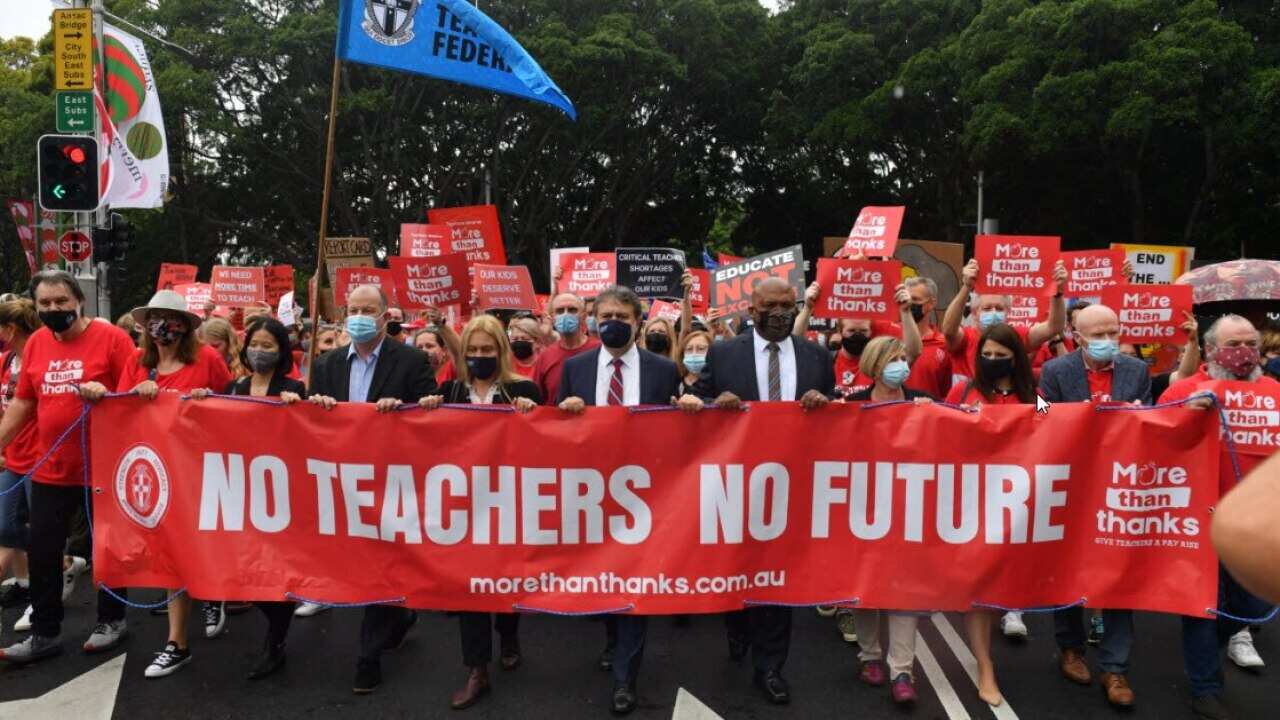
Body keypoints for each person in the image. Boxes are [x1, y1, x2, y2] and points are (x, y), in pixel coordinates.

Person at [695, 277, 834, 706]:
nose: (779, 313)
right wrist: (716, 401)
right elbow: (694, 404)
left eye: (785, 305)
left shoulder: (816, 355)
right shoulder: (722, 353)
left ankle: (770, 666)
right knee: (738, 568)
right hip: (736, 483)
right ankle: (737, 630)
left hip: (792, 484)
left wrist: (824, 402)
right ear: (750, 311)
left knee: (778, 578)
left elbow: (839, 414)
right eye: (768, 306)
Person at [555, 285, 685, 715]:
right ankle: (612, 640)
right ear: (595, 319)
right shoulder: (575, 369)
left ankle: (625, 677)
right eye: (605, 315)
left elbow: (678, 433)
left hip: (645, 496)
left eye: (622, 317)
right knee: (603, 576)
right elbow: (554, 433)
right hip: (592, 495)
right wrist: (567, 413)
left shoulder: (662, 371)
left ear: (637, 323)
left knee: (634, 580)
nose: (612, 322)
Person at [0, 270, 136, 664]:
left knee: (106, 549)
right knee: (43, 552)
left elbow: (135, 396)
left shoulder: (112, 339)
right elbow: (25, 402)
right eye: (45, 304)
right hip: (50, 468)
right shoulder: (39, 343)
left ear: (79, 301)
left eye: (61, 302)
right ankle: (45, 633)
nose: (53, 309)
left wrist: (107, 396)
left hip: (103, 468)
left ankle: (112, 620)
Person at [307, 284, 435, 695]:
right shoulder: (326, 364)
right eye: (354, 309)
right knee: (358, 559)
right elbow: (308, 418)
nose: (360, 316)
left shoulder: (412, 360)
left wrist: (407, 413)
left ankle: (368, 656)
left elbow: (429, 418)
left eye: (369, 309)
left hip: (392, 480)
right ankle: (398, 617)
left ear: (384, 317)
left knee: (381, 560)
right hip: (343, 480)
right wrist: (319, 407)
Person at [1159, 314, 1277, 720]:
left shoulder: (1275, 391)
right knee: (1202, 607)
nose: (1245, 351)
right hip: (1200, 520)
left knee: (1254, 606)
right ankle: (1205, 686)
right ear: (1210, 350)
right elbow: (1156, 443)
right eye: (1234, 343)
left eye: (1251, 342)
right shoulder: (1187, 389)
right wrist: (1187, 415)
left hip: (1257, 524)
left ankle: (1211, 643)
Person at [419, 314, 540, 709]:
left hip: (510, 504)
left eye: (487, 350)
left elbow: (549, 444)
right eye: (472, 350)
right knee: (471, 587)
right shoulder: (451, 391)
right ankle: (477, 669)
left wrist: (531, 413)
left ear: (501, 351)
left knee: (505, 580)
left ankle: (508, 633)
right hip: (465, 510)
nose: (479, 356)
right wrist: (429, 410)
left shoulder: (522, 389)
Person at [113, 290, 234, 677]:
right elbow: (119, 409)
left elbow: (233, 406)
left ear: (186, 325)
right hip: (156, 473)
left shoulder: (208, 360)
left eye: (171, 316)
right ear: (146, 324)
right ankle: (177, 642)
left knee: (201, 543)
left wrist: (207, 400)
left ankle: (212, 592)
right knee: (172, 553)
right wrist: (134, 396)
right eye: (156, 317)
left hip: (199, 469)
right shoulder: (136, 362)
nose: (163, 324)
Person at [1039, 304, 1150, 709]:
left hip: (1120, 487)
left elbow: (1151, 419)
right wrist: (1062, 418)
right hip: (1073, 485)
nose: (1107, 340)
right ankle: (1070, 648)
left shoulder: (1135, 372)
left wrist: (1142, 416)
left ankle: (1115, 666)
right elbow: (1039, 412)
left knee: (1120, 573)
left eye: (1113, 331)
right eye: (1098, 333)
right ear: (1076, 335)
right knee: (1067, 568)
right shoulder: (1056, 371)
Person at [193, 316, 305, 679]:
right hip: (241, 493)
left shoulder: (292, 388)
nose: (260, 351)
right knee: (242, 571)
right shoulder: (234, 387)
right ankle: (278, 627)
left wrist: (299, 407)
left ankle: (275, 643)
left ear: (281, 351)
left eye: (268, 346)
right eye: (254, 344)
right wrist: (201, 402)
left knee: (274, 572)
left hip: (280, 496)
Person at [943, 323, 1038, 706]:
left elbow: (1060, 424)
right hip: (971, 504)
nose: (993, 361)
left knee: (1003, 586)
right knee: (980, 591)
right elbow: (938, 430)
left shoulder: (1033, 395)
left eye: (1002, 355)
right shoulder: (963, 390)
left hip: (1017, 507)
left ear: (1016, 357)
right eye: (988, 354)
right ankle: (985, 667)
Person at [843, 336, 933, 704]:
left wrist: (932, 414)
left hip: (909, 510)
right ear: (874, 364)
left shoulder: (921, 401)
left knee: (904, 591)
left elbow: (1035, 410)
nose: (902, 366)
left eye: (903, 359)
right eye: (893, 359)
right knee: (866, 587)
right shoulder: (850, 405)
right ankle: (870, 656)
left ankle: (902, 670)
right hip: (861, 511)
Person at [942, 257, 1068, 386]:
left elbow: (1053, 327)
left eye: (999, 308)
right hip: (968, 403)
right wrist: (967, 287)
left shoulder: (1016, 336)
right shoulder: (966, 338)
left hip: (1007, 403)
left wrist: (1057, 292)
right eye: (987, 308)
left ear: (1008, 312)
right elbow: (948, 330)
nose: (994, 312)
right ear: (974, 313)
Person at [0, 300, 40, 612]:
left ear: (10, 329)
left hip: (39, 455)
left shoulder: (38, 359)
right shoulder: (6, 361)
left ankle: (40, 594)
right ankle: (64, 560)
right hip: (10, 455)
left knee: (39, 527)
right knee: (5, 526)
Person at [532, 292, 600, 404]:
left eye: (572, 310)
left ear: (583, 316)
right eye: (560, 311)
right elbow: (538, 400)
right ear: (553, 318)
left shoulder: (600, 350)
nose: (565, 315)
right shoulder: (545, 357)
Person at [675, 330, 713, 396]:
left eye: (701, 349)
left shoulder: (718, 382)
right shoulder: (675, 381)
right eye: (689, 349)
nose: (694, 354)